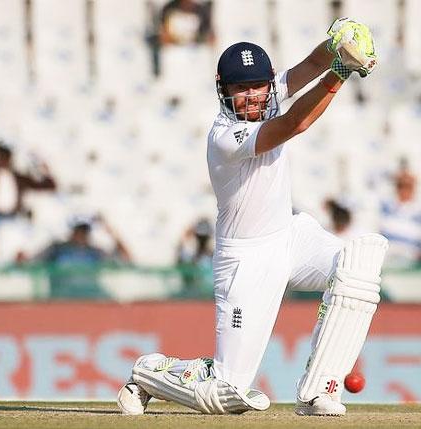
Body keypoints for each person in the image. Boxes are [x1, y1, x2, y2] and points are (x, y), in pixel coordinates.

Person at [117, 18, 387, 417]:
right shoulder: (225, 137)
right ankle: (148, 372)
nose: (252, 96)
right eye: (240, 88)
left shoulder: (268, 93)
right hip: (245, 261)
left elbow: (310, 66)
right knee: (226, 390)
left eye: (258, 85)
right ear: (223, 90)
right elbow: (296, 123)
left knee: (358, 264)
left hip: (290, 237)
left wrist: (337, 45)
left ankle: (319, 391)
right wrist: (342, 71)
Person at [35, 214, 132, 298]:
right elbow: (31, 263)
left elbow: (125, 258)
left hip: (91, 296)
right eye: (78, 230)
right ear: (72, 231)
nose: (82, 234)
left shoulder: (95, 252)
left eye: (85, 231)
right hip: (63, 298)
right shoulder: (56, 249)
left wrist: (109, 229)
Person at [379, 169, 421, 267]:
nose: (404, 190)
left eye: (408, 186)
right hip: (388, 263)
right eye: (401, 186)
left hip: (412, 264)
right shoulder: (385, 209)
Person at [176, 218, 214, 297]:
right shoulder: (192, 256)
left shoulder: (213, 256)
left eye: (204, 238)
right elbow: (180, 256)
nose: (202, 240)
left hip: (210, 296)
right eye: (201, 238)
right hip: (195, 296)